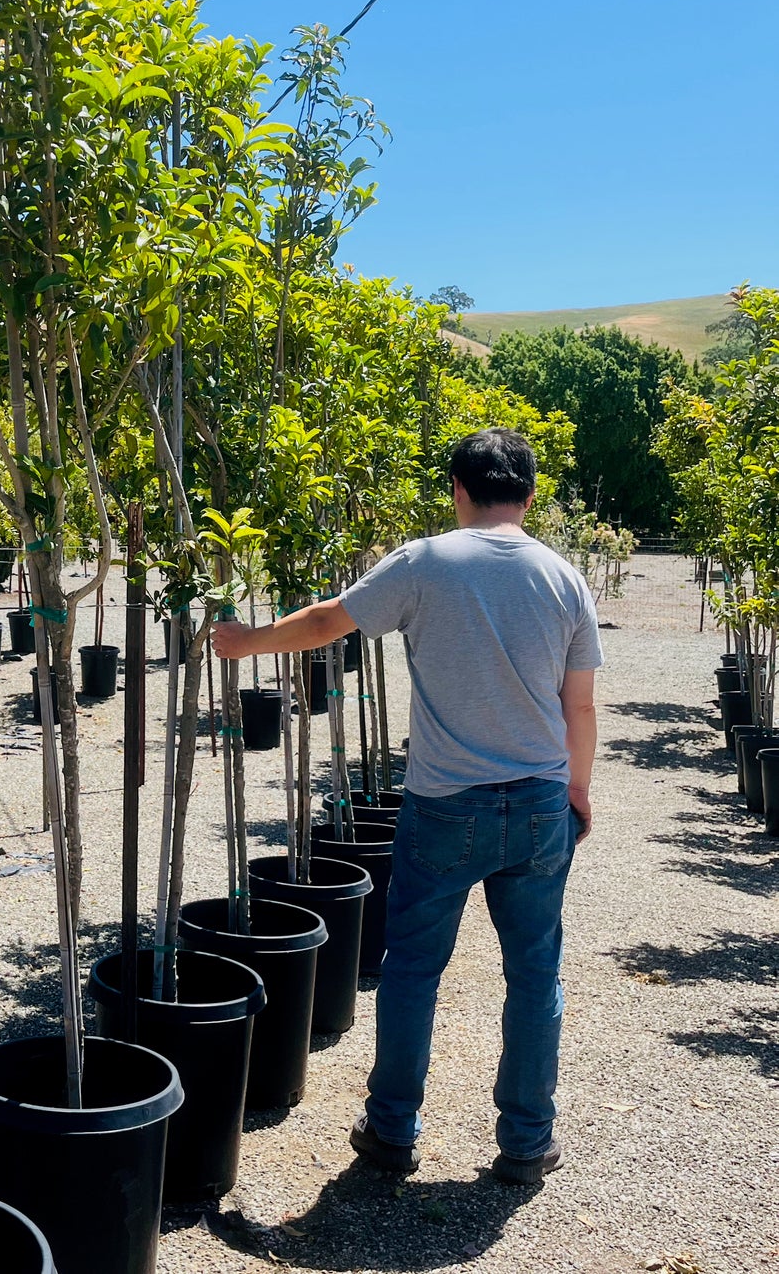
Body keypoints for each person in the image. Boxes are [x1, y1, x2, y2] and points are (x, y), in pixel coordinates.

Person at [212, 427, 601, 1186]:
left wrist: (244, 642)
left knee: (414, 968)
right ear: (527, 493)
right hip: (537, 804)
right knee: (533, 972)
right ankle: (526, 1141)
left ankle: (391, 1131)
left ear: (458, 490)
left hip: (444, 805)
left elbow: (329, 621)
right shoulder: (564, 577)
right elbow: (579, 705)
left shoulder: (425, 561)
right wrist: (576, 788)